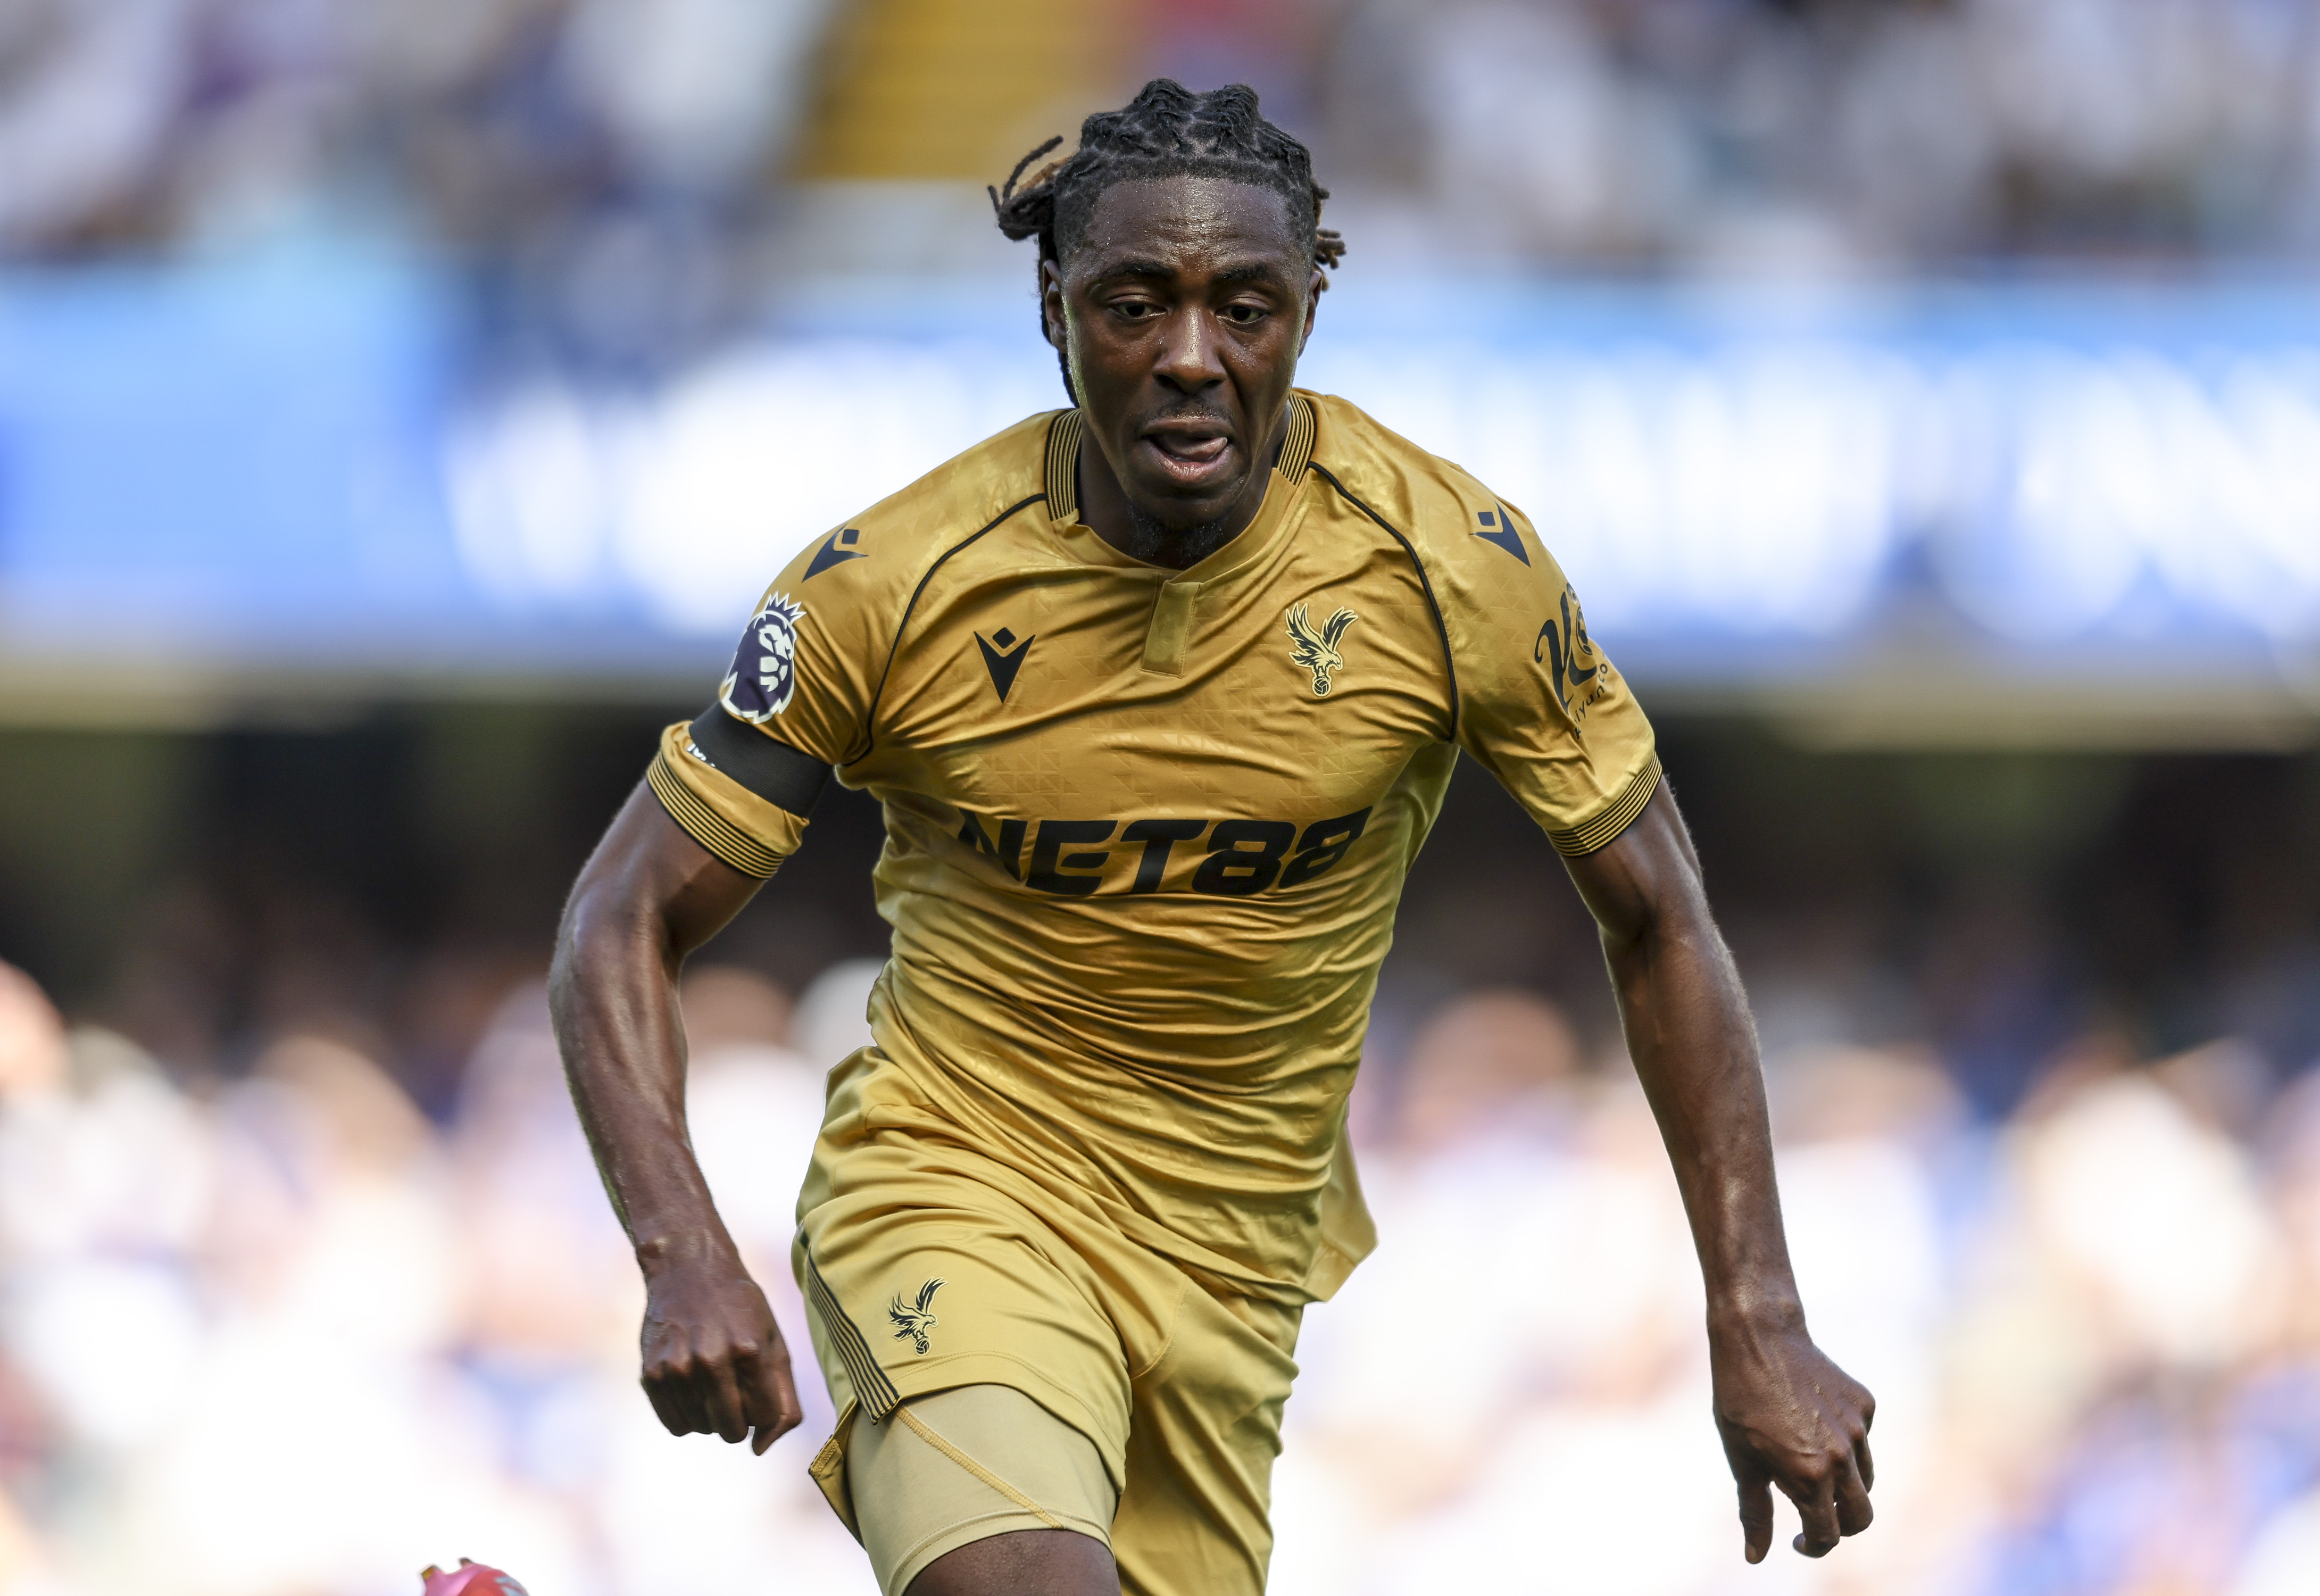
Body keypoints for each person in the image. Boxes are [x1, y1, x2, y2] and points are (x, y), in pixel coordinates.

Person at [551, 78, 1873, 1596]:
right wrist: (680, 1249)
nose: (1191, 357)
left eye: (1243, 306)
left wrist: (1755, 1315)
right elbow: (619, 917)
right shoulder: (889, 586)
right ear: (1053, 310)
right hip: (955, 1189)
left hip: (1235, 1275)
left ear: (1307, 309)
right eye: (1135, 303)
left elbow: (1663, 923)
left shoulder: (1451, 567)